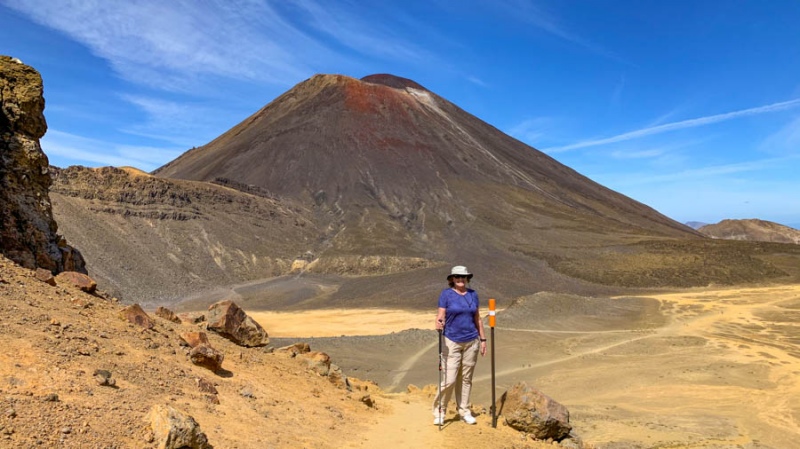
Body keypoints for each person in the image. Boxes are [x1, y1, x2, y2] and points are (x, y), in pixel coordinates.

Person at [432, 265, 487, 426]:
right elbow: (440, 315)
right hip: (452, 341)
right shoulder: (446, 294)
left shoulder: (473, 295)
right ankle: (440, 411)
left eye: (463, 277)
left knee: (466, 378)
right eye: (457, 277)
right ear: (452, 279)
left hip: (471, 340)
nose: (461, 279)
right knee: (449, 379)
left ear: (467, 279)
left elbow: (477, 318)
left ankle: (464, 410)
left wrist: (483, 340)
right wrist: (438, 323)